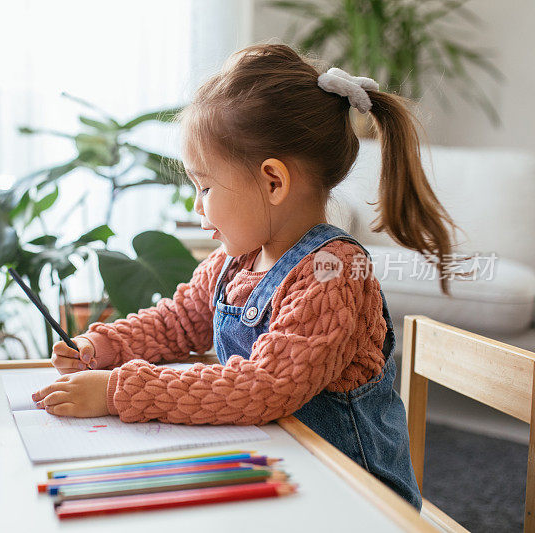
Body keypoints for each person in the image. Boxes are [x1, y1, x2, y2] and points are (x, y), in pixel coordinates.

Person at [32, 43, 462, 510]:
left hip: (356, 498)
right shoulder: (234, 260)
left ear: (273, 182)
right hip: (279, 469)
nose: (197, 206)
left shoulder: (330, 276)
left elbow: (261, 388)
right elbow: (178, 321)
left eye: (206, 187)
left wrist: (120, 392)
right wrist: (107, 347)